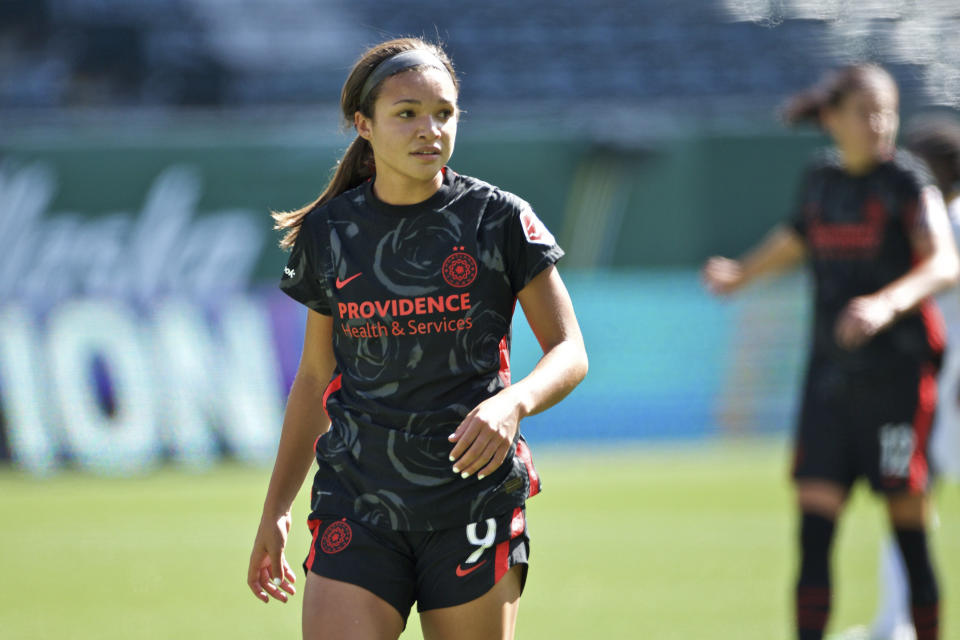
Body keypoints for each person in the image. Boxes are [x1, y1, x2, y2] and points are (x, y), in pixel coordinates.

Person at [245, 37, 588, 640]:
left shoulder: (499, 219)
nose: (429, 129)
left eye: (444, 113)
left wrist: (513, 402)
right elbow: (313, 377)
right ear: (364, 125)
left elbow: (570, 352)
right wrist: (276, 509)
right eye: (406, 113)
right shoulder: (330, 233)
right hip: (357, 500)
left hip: (471, 502)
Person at [702, 64, 959, 640]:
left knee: (909, 535)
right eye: (867, 113)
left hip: (897, 382)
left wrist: (885, 305)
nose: (880, 125)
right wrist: (740, 274)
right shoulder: (821, 180)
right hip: (829, 383)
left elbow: (945, 262)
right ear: (835, 118)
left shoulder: (908, 183)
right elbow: (797, 238)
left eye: (888, 112)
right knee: (814, 536)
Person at [857, 114, 960, 640]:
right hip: (925, 388)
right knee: (909, 502)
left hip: (951, 390)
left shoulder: (949, 222)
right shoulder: (918, 220)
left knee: (911, 500)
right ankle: (892, 624)